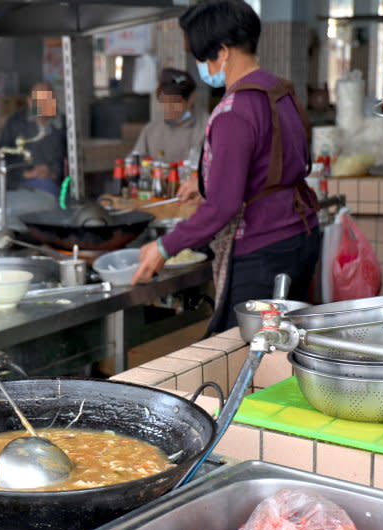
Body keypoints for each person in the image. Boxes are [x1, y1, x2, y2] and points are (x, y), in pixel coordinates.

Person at [131, 0, 321, 334]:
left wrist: (164, 247)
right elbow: (268, 165)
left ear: (223, 51)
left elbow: (224, 206)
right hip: (300, 235)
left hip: (263, 249)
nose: (201, 66)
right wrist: (205, 181)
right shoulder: (280, 91)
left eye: (202, 57)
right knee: (284, 344)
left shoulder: (234, 111)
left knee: (242, 351)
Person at [0, 82, 67, 197]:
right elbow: (2, 155)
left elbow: (73, 156)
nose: (45, 104)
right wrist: (26, 173)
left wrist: (53, 173)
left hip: (55, 182)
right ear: (30, 101)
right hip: (22, 182)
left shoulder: (63, 123)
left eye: (49, 99)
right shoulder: (16, 122)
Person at [132, 68, 206, 164]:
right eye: (165, 101)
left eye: (175, 101)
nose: (168, 107)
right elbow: (134, 161)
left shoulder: (206, 128)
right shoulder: (151, 130)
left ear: (191, 98)